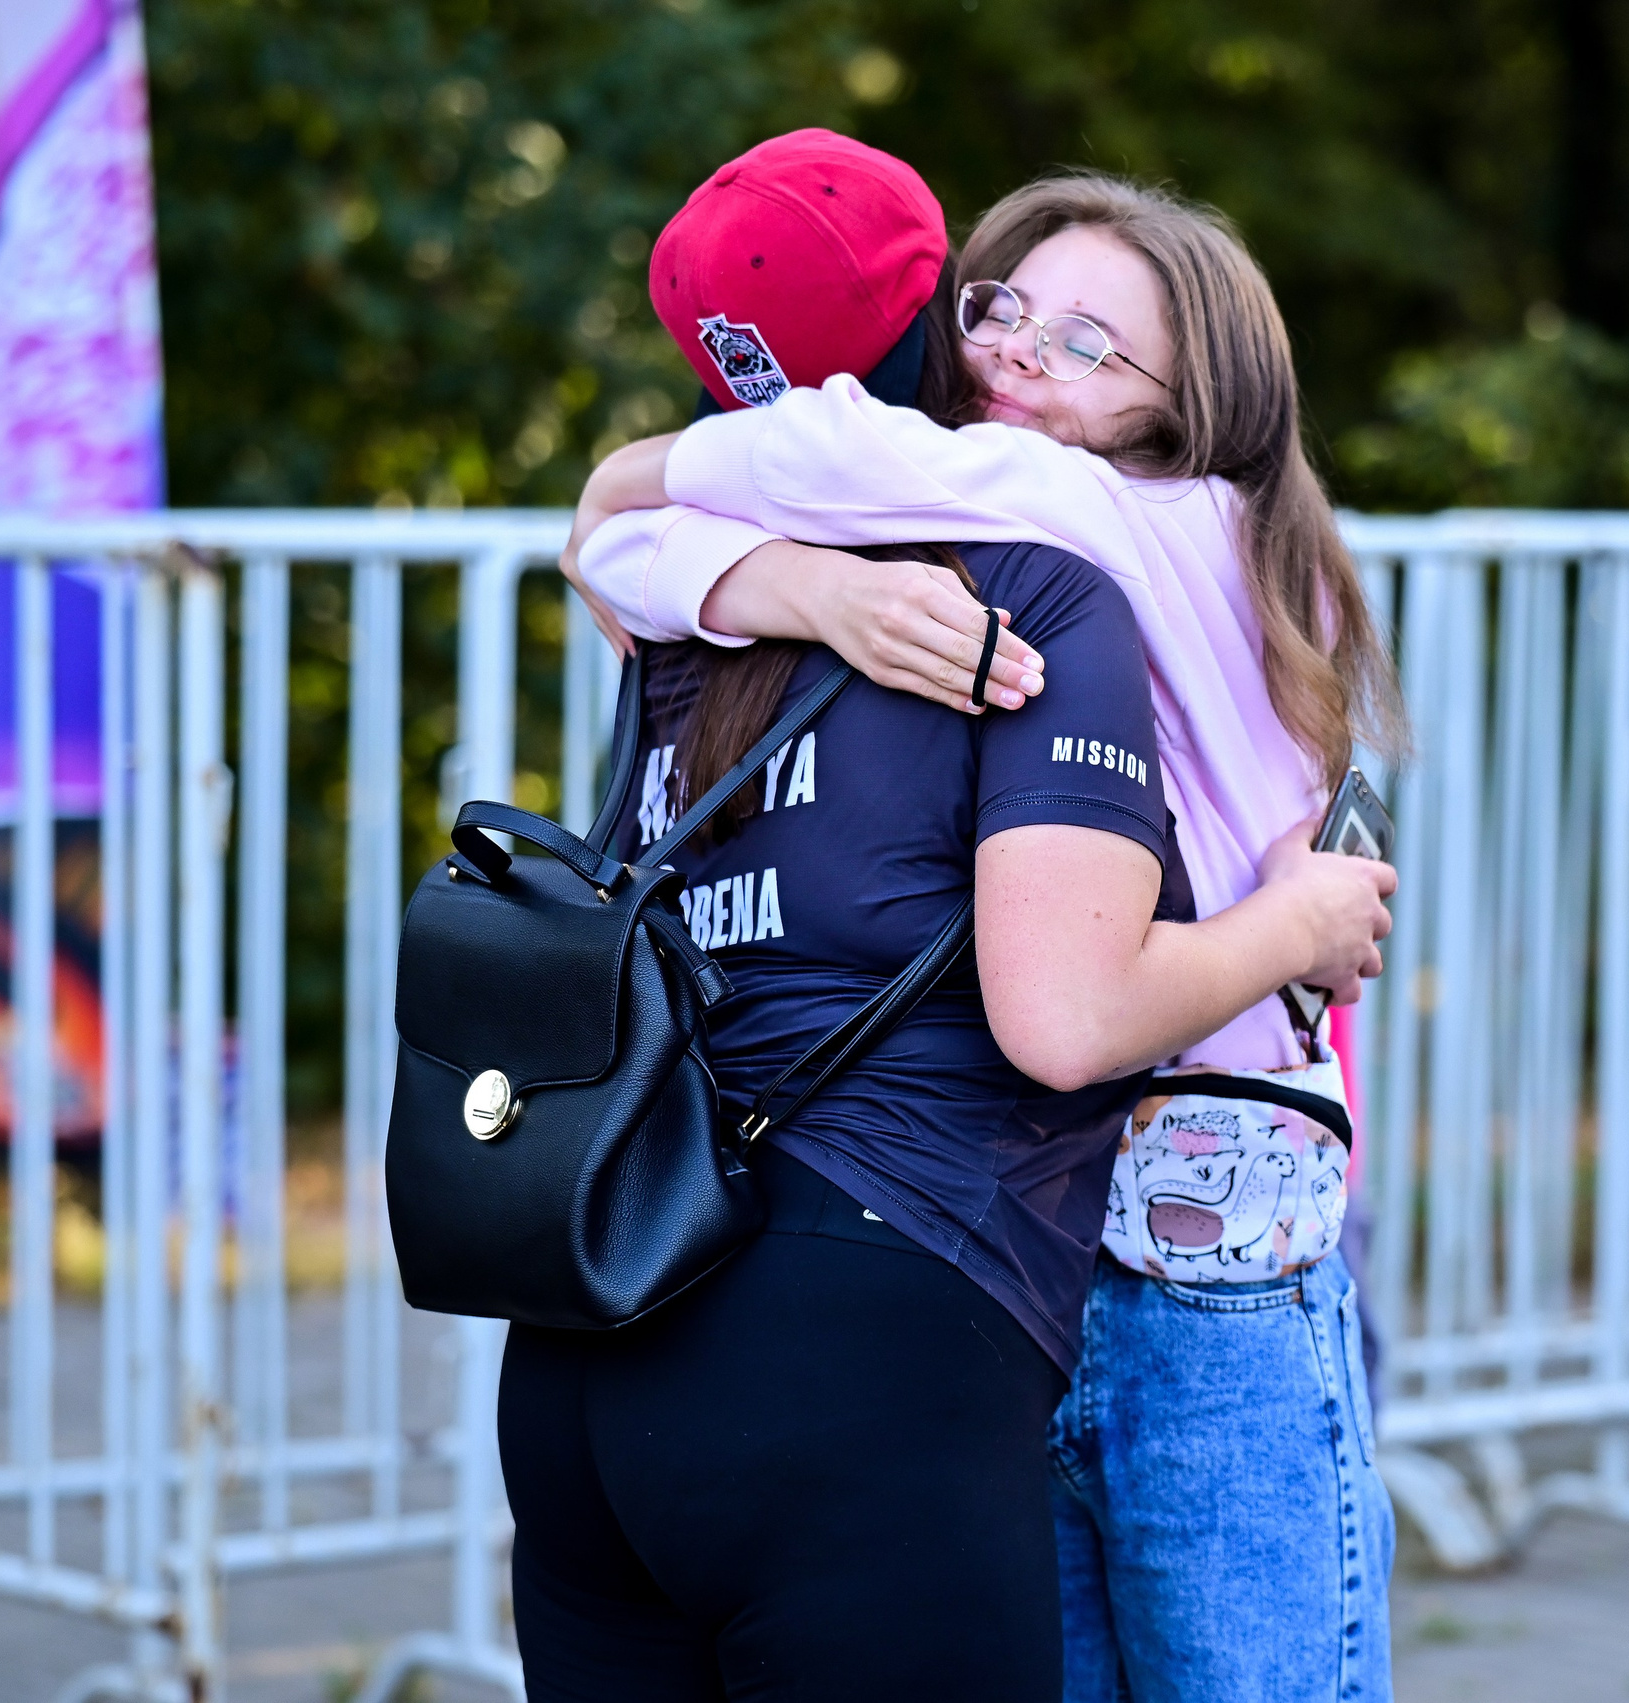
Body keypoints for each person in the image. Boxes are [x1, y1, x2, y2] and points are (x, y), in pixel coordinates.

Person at [504, 131, 1396, 1703]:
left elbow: (661, 506)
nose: (1018, 353)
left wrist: (660, 503)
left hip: (1200, 1212)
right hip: (1056, 1218)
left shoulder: (1087, 509)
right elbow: (656, 545)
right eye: (1001, 308)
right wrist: (815, 585)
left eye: (1089, 344)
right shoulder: (1154, 544)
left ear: (1190, 406)